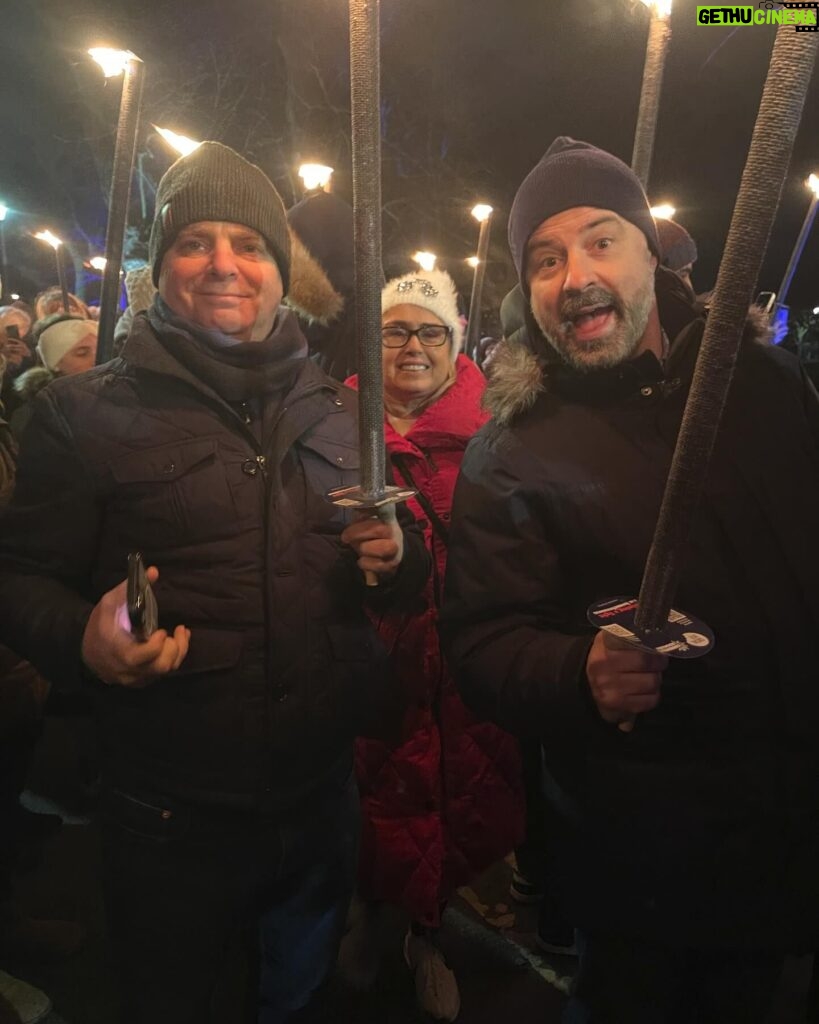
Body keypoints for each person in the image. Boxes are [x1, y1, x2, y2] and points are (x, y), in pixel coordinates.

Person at [0, 141, 427, 1024]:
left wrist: (399, 557)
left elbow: (400, 555)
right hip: (167, 813)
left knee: (297, 999)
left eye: (251, 243)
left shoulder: (344, 410)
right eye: (196, 242)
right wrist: (81, 639)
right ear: (161, 268)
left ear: (281, 271)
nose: (225, 263)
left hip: (319, 798)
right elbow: (19, 577)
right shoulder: (82, 414)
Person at [440, 137, 819, 1023]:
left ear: (653, 250)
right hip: (650, 861)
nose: (574, 275)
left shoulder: (762, 384)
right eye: (545, 257)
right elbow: (483, 643)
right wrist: (579, 672)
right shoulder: (513, 452)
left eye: (601, 240)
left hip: (796, 819)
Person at [343, 270, 523, 1021]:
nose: (412, 345)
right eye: (394, 329)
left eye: (430, 331)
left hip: (463, 661)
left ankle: (426, 934)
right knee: (370, 798)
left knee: (454, 802)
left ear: (453, 344)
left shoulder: (502, 433)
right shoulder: (330, 425)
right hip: (370, 659)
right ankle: (364, 913)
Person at [10, 315, 98, 438]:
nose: (96, 360)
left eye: (98, 351)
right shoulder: (36, 417)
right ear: (55, 364)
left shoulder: (119, 396)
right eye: (82, 353)